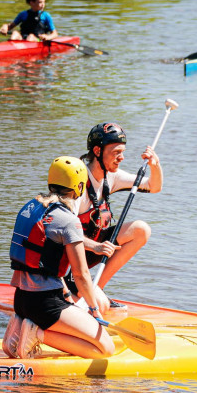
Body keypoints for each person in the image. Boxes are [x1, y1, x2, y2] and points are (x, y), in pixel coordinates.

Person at [3, 156, 116, 360]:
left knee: (82, 325)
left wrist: (65, 294)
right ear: (79, 187)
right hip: (45, 305)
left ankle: (21, 325)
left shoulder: (32, 207)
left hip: (21, 299)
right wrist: (94, 309)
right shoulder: (68, 220)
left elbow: (45, 256)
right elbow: (81, 276)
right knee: (105, 349)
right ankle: (37, 332)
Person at [69, 122, 163, 309]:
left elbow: (154, 186)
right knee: (100, 306)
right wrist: (96, 247)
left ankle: (97, 289)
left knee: (140, 230)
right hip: (71, 257)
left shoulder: (112, 176)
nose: (121, 158)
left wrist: (155, 165)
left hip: (94, 248)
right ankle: (83, 291)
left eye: (123, 152)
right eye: (116, 152)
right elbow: (64, 231)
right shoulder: (78, 181)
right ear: (97, 151)